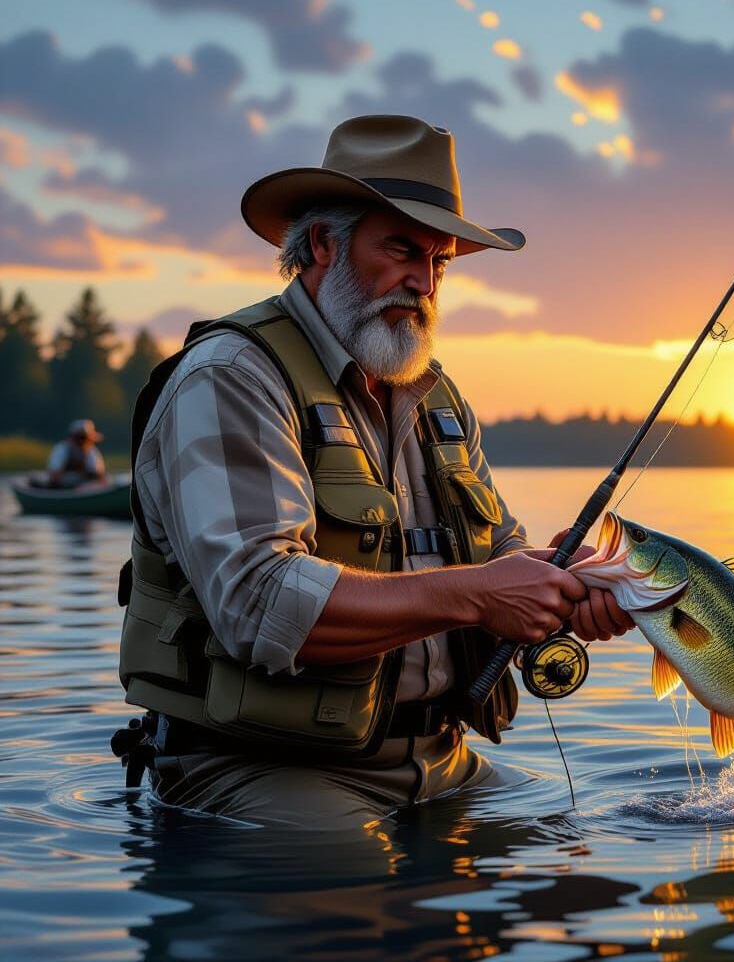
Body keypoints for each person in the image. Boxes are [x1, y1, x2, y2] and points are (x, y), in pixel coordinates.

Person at [113, 115, 635, 831]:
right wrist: (484, 595)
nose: (423, 282)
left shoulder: (434, 394)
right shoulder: (231, 377)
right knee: (360, 911)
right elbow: (258, 604)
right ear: (323, 243)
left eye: (440, 262)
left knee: (594, 863)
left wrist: (565, 590)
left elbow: (498, 564)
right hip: (258, 771)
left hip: (442, 763)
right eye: (401, 249)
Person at [42, 419, 107, 488]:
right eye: (82, 438)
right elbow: (54, 475)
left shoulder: (92, 451)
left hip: (84, 488)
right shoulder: (62, 449)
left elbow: (99, 475)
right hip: (62, 487)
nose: (87, 441)